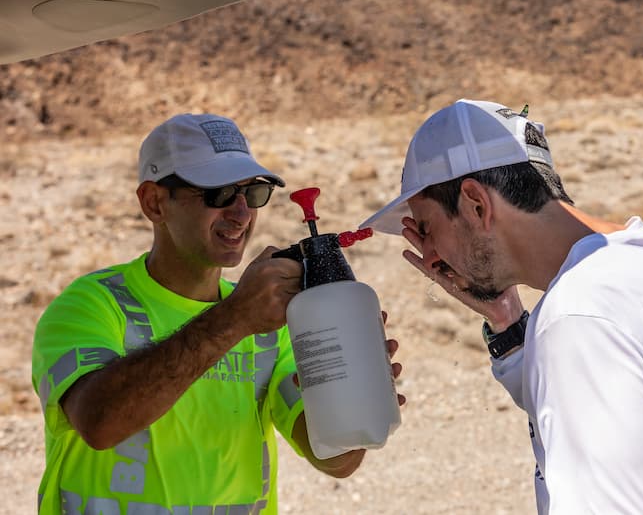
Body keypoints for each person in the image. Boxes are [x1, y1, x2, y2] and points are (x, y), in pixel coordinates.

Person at [360, 99, 643, 514]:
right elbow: (623, 404)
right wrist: (507, 322)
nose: (429, 256)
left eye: (428, 228)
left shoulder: (578, 317)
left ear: (474, 204)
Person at [32, 113, 403, 514]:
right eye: (220, 193)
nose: (241, 213)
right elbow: (100, 423)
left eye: (253, 193)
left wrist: (357, 392)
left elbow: (334, 459)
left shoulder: (271, 323)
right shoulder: (91, 305)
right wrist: (235, 317)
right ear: (154, 202)